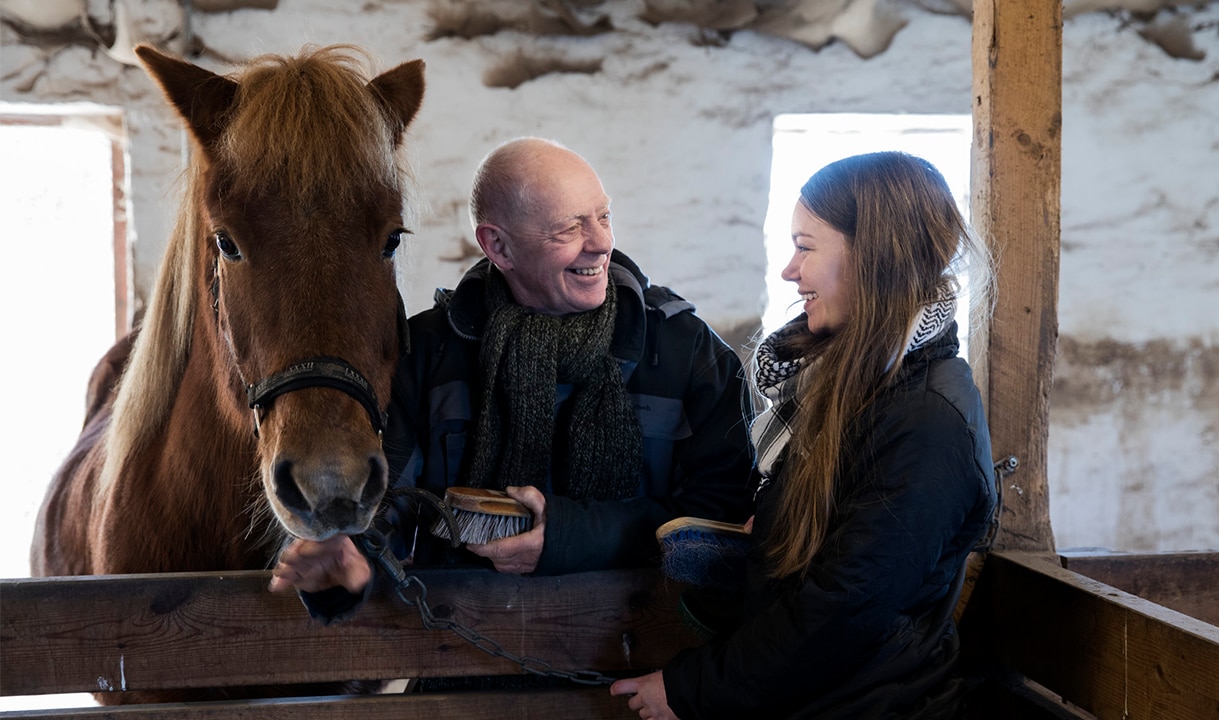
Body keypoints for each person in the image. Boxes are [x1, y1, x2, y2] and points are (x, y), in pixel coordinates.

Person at [268, 137, 756, 617]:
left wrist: (568, 537)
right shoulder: (431, 351)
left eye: (603, 216)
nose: (602, 243)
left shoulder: (684, 349)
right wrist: (352, 558)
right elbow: (390, 502)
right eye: (569, 228)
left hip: (636, 658)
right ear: (497, 245)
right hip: (464, 653)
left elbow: (721, 513)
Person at [610, 151, 999, 719]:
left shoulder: (926, 420)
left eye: (806, 246)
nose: (791, 271)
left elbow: (843, 611)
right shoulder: (857, 389)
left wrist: (693, 688)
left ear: (872, 257)